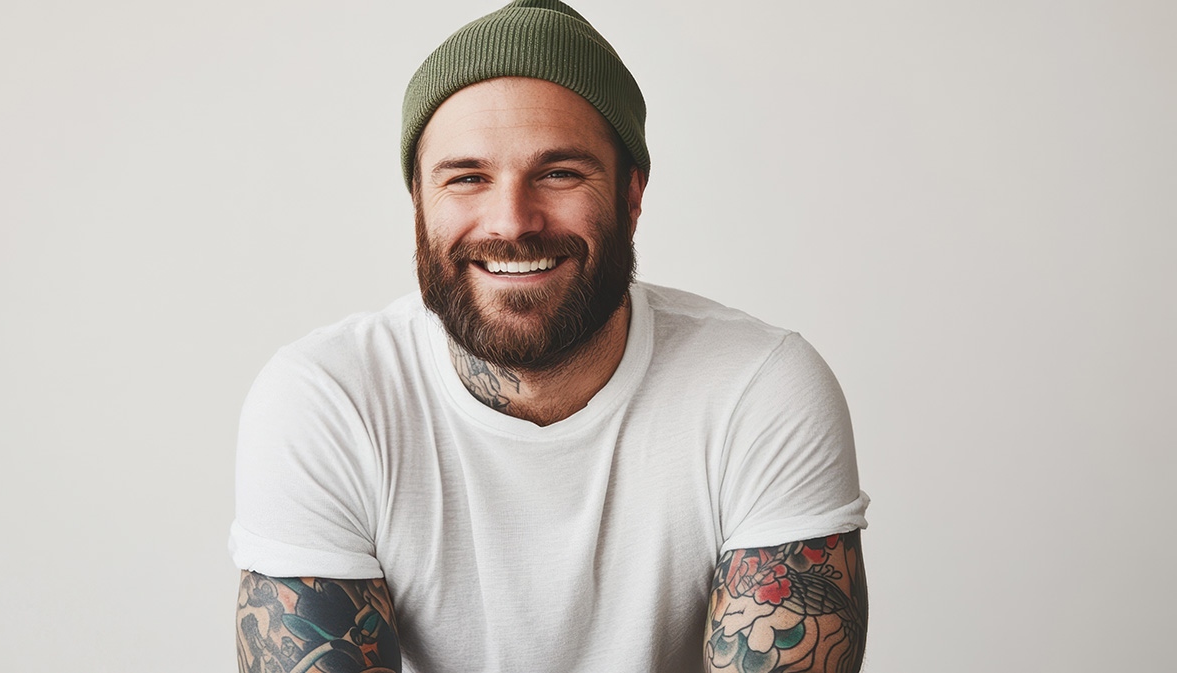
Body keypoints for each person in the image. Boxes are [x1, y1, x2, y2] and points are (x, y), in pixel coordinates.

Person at [230, 1, 869, 672]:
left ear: (631, 194)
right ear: (419, 203)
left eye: (559, 173)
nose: (512, 221)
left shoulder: (758, 388)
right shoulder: (327, 402)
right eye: (467, 177)